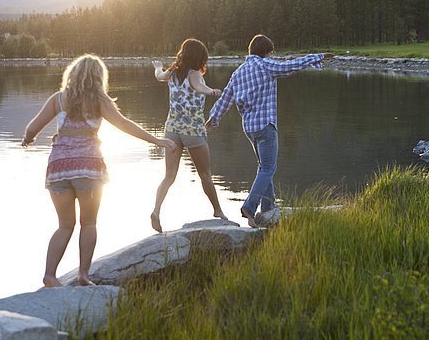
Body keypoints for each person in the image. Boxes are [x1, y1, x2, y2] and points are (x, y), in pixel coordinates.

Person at [22, 54, 176, 287]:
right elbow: (124, 124)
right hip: (89, 168)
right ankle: (83, 275)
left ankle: (50, 276)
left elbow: (33, 127)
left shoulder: (58, 99)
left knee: (64, 225)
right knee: (89, 223)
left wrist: (28, 138)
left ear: (72, 75)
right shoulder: (100, 101)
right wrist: (156, 140)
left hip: (58, 169)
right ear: (98, 77)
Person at [206, 34, 334, 228]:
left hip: (249, 128)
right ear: (265, 53)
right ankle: (250, 206)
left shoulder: (238, 72)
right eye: (270, 53)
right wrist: (317, 57)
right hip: (265, 126)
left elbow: (225, 98)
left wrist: (213, 118)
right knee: (268, 168)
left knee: (264, 167)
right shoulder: (265, 66)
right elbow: (291, 66)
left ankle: (268, 208)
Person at [151, 38, 228, 233]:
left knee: (168, 176)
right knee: (205, 174)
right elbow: (198, 87)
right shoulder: (194, 74)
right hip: (193, 131)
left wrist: (158, 67)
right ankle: (218, 211)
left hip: (172, 129)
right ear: (199, 57)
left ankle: (156, 210)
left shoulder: (172, 73)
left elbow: (159, 75)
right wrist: (211, 91)